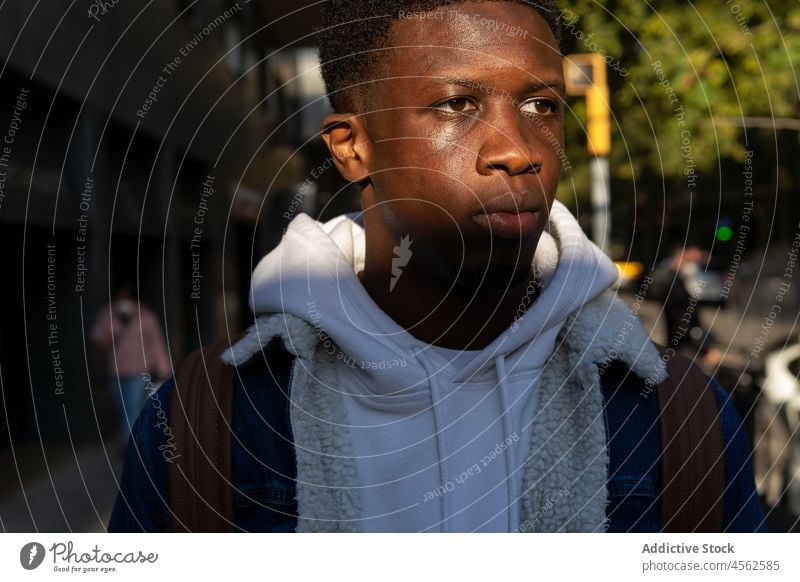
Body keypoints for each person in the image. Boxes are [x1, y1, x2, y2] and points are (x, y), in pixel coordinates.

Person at [108, 0, 764, 532]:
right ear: (352, 146)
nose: (516, 150)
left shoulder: (674, 413)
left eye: (542, 106)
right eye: (456, 104)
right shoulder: (210, 421)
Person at [91, 284, 171, 440]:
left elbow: (156, 343)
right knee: (123, 409)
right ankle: (133, 440)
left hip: (140, 371)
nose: (123, 302)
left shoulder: (146, 316)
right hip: (116, 371)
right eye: (120, 298)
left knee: (132, 408)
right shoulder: (108, 314)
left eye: (127, 298)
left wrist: (163, 368)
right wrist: (114, 329)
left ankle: (130, 444)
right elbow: (97, 338)